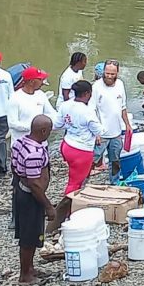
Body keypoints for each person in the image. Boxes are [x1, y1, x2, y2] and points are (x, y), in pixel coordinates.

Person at [10, 113, 56, 285]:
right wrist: (48, 206)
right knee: (29, 237)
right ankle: (25, 275)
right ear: (43, 130)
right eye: (49, 130)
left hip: (20, 192)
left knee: (28, 234)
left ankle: (29, 267)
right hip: (30, 197)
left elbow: (14, 167)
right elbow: (34, 184)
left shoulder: (20, 143)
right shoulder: (34, 152)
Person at [51, 80, 103, 224]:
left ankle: (73, 204)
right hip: (81, 151)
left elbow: (57, 125)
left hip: (66, 145)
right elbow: (99, 130)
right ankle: (66, 212)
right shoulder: (87, 111)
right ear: (87, 94)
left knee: (76, 177)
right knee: (74, 182)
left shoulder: (65, 105)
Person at [91, 61, 132, 179]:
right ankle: (82, 183)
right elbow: (91, 111)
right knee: (93, 159)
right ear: (103, 72)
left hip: (116, 132)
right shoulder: (96, 87)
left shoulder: (120, 84)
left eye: (112, 74)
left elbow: (123, 107)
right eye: (107, 73)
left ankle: (114, 182)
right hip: (102, 133)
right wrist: (96, 132)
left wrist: (127, 125)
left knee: (115, 160)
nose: (109, 76)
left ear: (117, 73)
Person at [7, 67, 57, 143]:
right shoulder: (15, 98)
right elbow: (12, 123)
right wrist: (35, 128)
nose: (42, 82)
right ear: (31, 82)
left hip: (41, 144)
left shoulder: (41, 95)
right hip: (22, 145)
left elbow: (50, 113)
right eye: (40, 80)